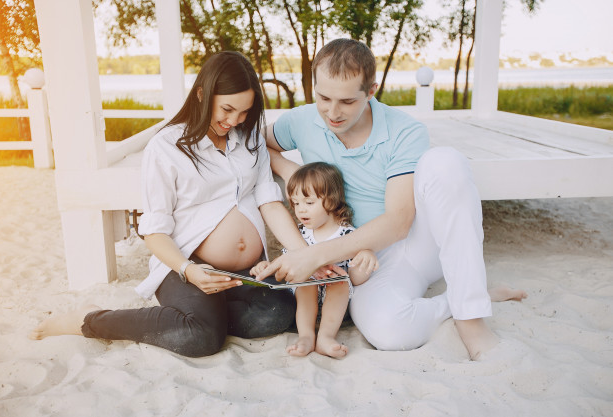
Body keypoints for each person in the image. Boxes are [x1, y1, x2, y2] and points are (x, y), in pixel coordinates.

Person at [258, 39, 527, 360]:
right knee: (389, 331)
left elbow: (399, 222)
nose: (332, 111)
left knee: (445, 161)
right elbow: (258, 142)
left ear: (371, 90)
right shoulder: (301, 121)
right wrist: (293, 172)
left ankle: (471, 318)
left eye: (346, 101)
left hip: (416, 242)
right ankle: (467, 297)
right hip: (367, 260)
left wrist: (315, 256)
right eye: (323, 97)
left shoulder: (404, 131)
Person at [29, 51, 308, 358]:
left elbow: (268, 200)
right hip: (185, 266)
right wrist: (189, 270)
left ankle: (207, 313)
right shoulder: (166, 148)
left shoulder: (250, 137)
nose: (235, 121)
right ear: (202, 93)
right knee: (200, 338)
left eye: (244, 112)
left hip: (246, 271)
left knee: (279, 311)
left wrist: (306, 254)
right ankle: (90, 319)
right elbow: (154, 230)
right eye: (227, 110)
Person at [252, 162, 377, 358]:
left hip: (335, 308)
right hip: (303, 303)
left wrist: (365, 257)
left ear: (332, 200)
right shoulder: (299, 236)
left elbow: (356, 278)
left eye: (309, 203)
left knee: (338, 280)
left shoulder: (347, 236)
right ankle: (306, 336)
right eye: (296, 203)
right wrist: (268, 266)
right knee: (305, 279)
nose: (301, 210)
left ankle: (326, 337)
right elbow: (286, 267)